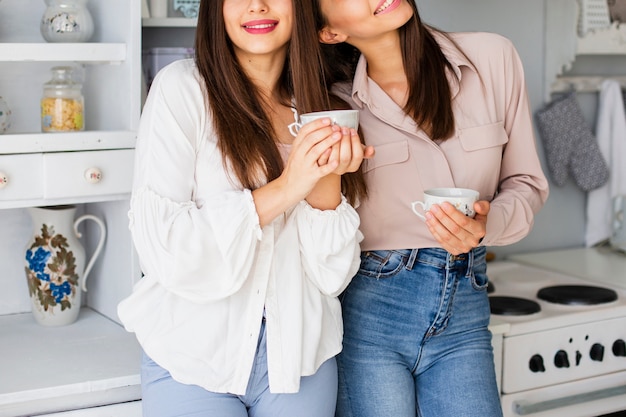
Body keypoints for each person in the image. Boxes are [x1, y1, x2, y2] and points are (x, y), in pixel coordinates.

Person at [117, 0, 373, 415]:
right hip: (193, 357)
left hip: (301, 361)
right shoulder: (183, 88)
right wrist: (290, 186)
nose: (257, 5)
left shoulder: (328, 108)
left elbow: (331, 277)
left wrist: (326, 179)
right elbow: (164, 246)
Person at [313, 1, 549, 417]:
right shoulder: (333, 106)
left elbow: (526, 184)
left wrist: (486, 225)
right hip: (371, 314)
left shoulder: (491, 58)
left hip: (466, 306)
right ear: (329, 31)